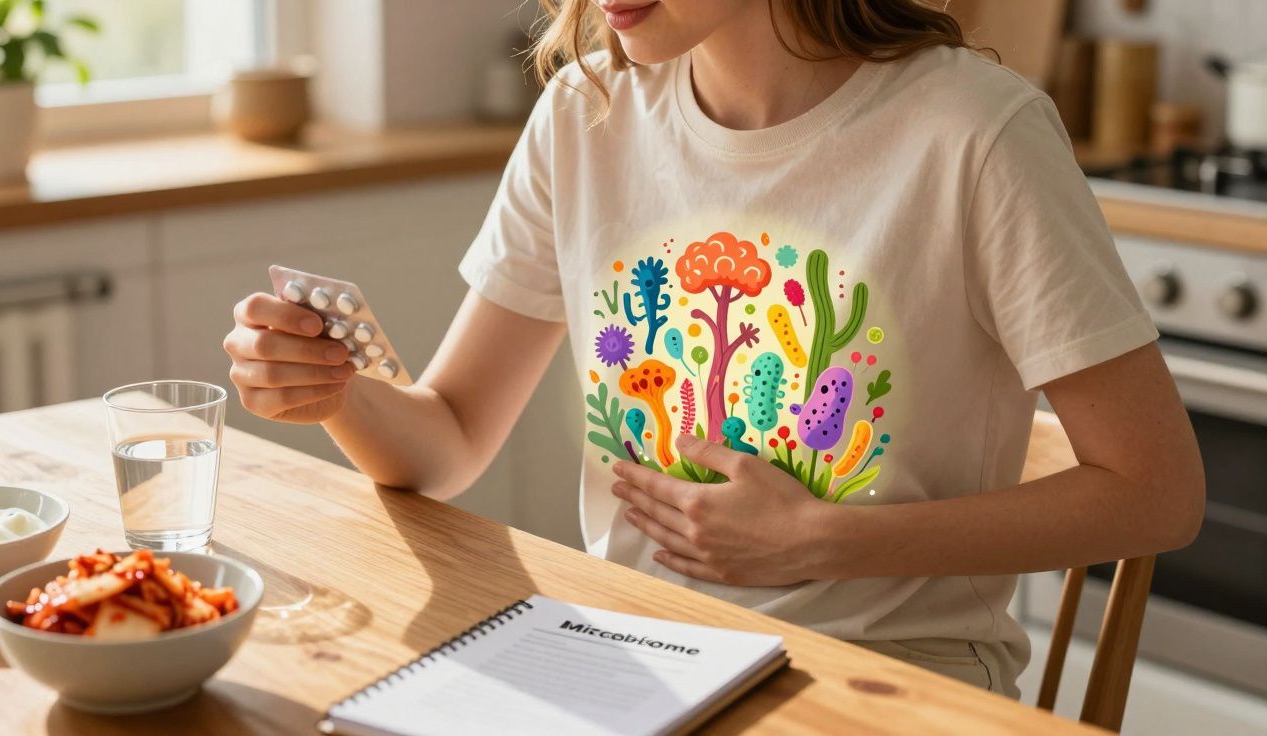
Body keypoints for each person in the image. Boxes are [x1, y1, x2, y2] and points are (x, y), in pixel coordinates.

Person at [223, 0, 1205, 698]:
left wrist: (824, 538)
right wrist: (334, 391)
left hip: (896, 676)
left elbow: (1155, 489)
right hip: (632, 657)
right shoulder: (585, 116)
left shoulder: (974, 136)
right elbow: (447, 441)